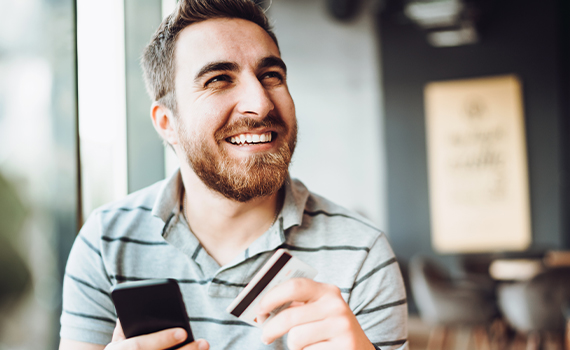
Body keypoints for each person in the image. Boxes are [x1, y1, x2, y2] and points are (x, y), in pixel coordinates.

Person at [59, 0, 408, 349]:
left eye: (271, 76)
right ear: (167, 124)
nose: (261, 103)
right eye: (219, 79)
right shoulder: (106, 242)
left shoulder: (363, 254)